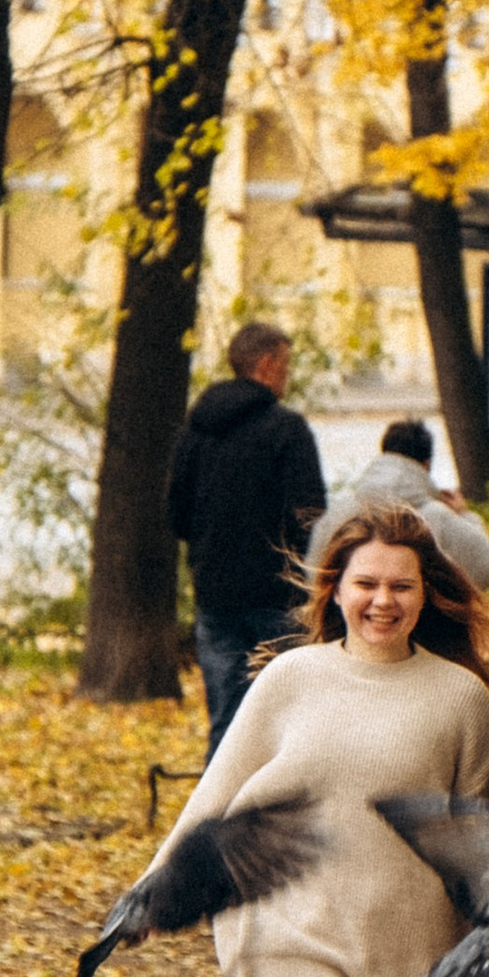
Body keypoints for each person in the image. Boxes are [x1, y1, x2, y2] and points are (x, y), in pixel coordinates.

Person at [156, 507, 489, 977]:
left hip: (414, 958)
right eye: (366, 583)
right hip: (299, 935)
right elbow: (217, 793)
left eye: (401, 586)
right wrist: (155, 894)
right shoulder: (292, 678)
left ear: (426, 594)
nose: (382, 600)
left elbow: (480, 842)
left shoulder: (463, 701)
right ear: (336, 588)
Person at [165, 321, 327, 753]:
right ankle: (282, 813)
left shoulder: (195, 431)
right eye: (285, 364)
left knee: (226, 719)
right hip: (277, 595)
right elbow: (310, 513)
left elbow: (176, 515)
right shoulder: (286, 430)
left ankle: (219, 814)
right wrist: (294, 561)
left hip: (215, 594)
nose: (287, 376)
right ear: (267, 363)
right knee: (287, 719)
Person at [306, 417, 489, 591]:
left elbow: (313, 577)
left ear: (384, 454)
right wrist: (464, 516)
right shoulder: (437, 515)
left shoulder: (338, 512)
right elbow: (486, 567)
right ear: (427, 464)